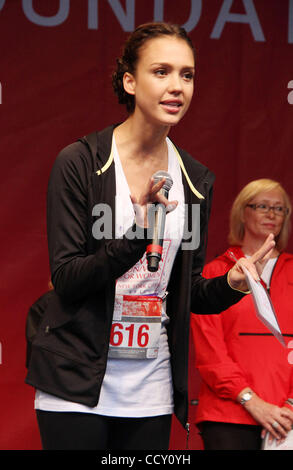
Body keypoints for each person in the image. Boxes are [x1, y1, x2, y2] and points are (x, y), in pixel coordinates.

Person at [25, 23, 274, 450]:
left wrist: (232, 286)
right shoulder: (81, 162)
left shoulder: (195, 180)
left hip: (149, 385)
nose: (176, 86)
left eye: (187, 74)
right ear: (129, 81)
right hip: (76, 380)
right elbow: (66, 277)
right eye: (161, 72)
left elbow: (188, 292)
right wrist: (139, 235)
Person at [191, 178, 293, 450]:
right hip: (228, 414)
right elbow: (210, 352)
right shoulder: (215, 273)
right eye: (262, 206)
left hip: (288, 417)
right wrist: (252, 401)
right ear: (242, 213)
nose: (272, 214)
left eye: (280, 208)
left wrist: (290, 405)